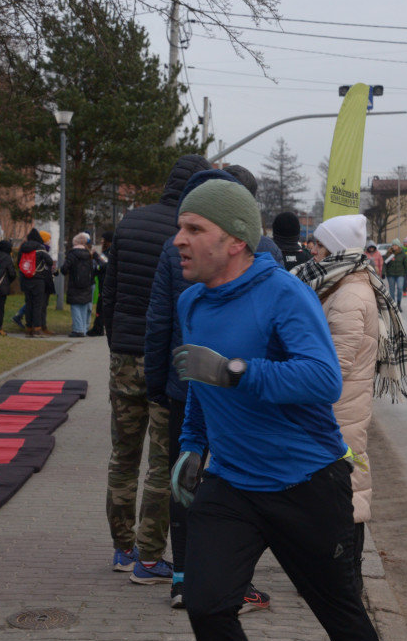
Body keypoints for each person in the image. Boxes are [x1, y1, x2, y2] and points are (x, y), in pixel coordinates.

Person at [169, 178, 384, 641]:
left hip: (305, 483)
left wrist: (237, 371)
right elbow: (202, 383)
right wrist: (192, 445)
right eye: (180, 227)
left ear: (236, 241)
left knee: (342, 617)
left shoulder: (284, 294)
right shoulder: (192, 303)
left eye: (194, 228)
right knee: (205, 604)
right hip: (232, 485)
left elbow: (323, 378)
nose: (178, 239)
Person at [146, 168, 273, 613]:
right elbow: (167, 314)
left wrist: (156, 383)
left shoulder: (264, 260)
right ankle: (229, 581)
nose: (183, 237)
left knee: (192, 481)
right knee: (202, 477)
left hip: (217, 387)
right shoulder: (266, 248)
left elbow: (157, 322)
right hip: (211, 390)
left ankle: (186, 576)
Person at [103, 154, 211, 585]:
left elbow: (108, 292)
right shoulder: (190, 232)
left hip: (125, 355)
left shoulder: (130, 222)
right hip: (167, 359)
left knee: (122, 456)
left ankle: (122, 548)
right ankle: (150, 555)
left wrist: (116, 343)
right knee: (164, 462)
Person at [295, 213, 407, 595]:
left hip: (338, 407)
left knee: (346, 490)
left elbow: (336, 362)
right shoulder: (339, 283)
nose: (312, 251)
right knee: (339, 488)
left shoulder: (348, 293)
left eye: (319, 245)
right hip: (337, 404)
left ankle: (347, 578)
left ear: (337, 249)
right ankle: (337, 575)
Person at [15, 228, 55, 337]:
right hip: (38, 280)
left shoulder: (23, 248)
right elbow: (50, 262)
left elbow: (19, 263)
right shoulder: (40, 248)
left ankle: (28, 329)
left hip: (25, 280)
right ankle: (37, 329)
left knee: (29, 304)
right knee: (38, 304)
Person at [60, 232, 95, 337]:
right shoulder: (89, 254)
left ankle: (78, 330)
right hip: (87, 283)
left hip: (75, 283)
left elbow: (64, 269)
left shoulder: (72, 254)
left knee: (75, 306)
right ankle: (84, 329)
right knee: (84, 306)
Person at [86, 231, 113, 337]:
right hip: (103, 280)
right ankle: (99, 327)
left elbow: (106, 263)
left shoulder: (110, 252)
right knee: (101, 305)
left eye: (103, 240)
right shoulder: (106, 251)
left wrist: (97, 256)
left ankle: (99, 328)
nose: (101, 241)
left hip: (106, 282)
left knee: (102, 306)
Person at [382, 238, 407, 311]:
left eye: (396, 245)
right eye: (393, 245)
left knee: (400, 288)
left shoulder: (402, 254)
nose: (394, 247)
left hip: (400, 274)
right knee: (391, 290)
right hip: (390, 274)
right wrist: (383, 273)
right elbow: (385, 264)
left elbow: (406, 265)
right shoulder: (388, 253)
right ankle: (393, 305)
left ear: (398, 246)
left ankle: (399, 303)